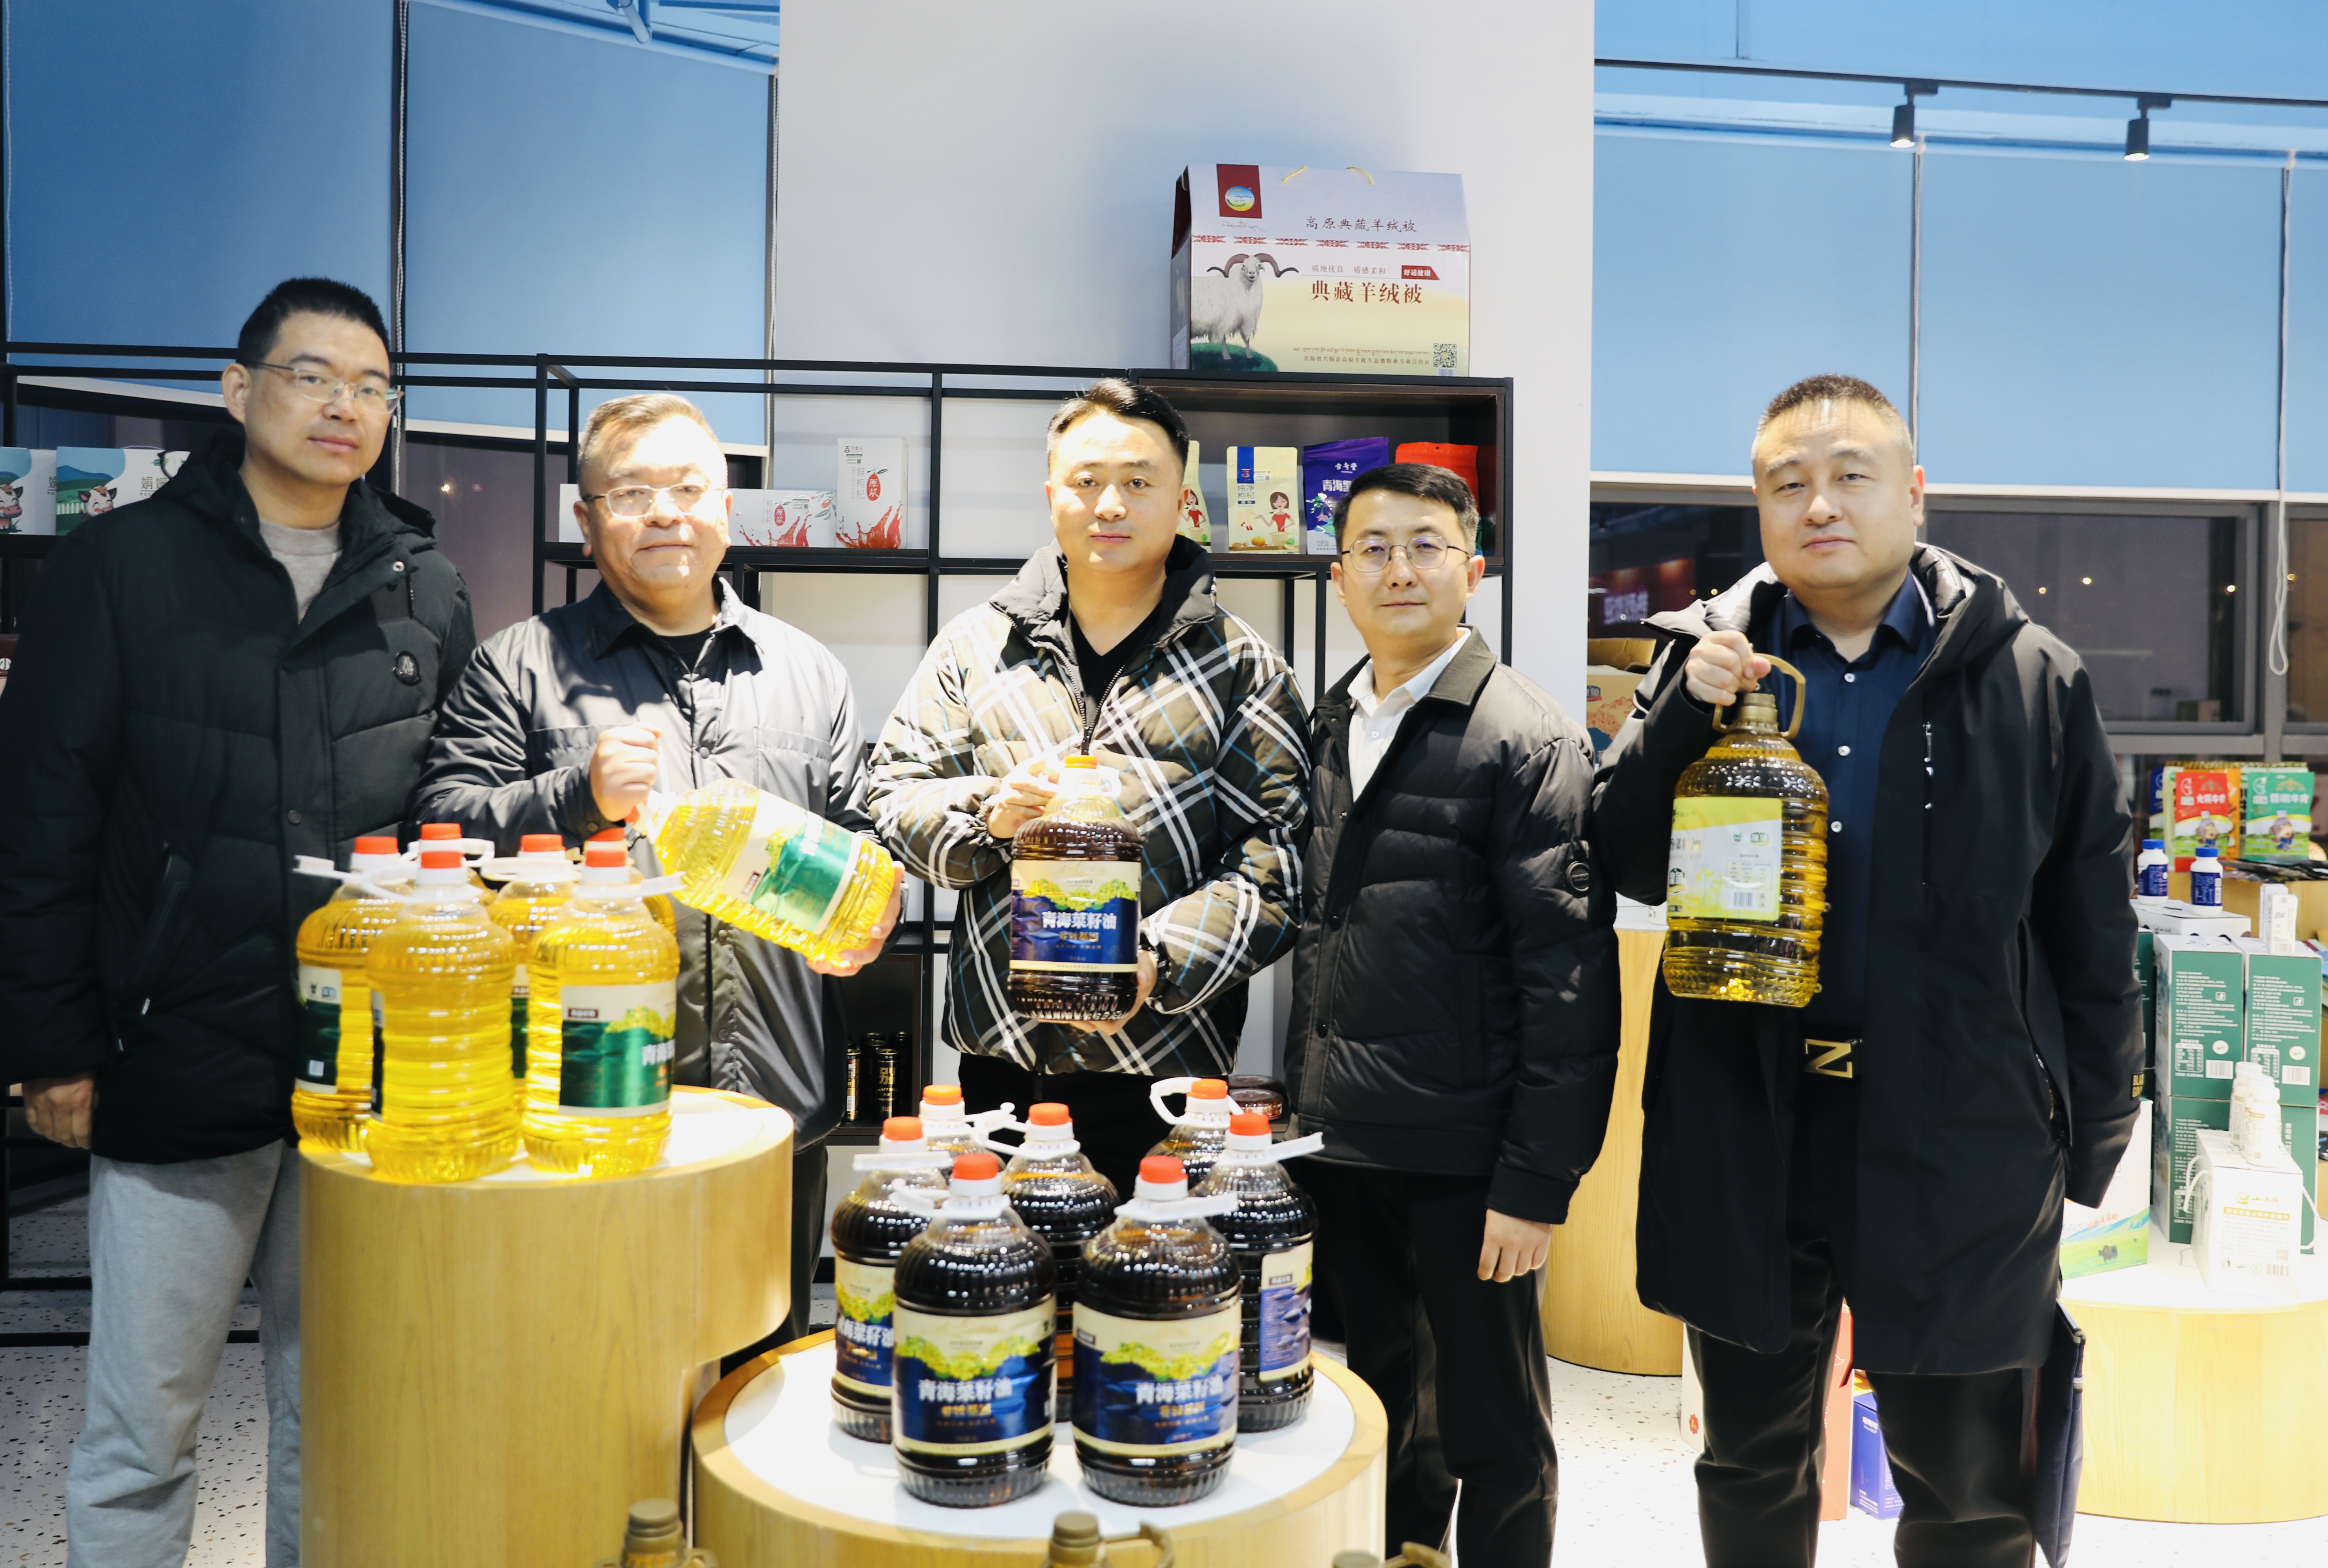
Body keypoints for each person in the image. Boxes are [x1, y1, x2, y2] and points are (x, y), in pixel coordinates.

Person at [1590, 375, 2140, 1568]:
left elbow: (2092, 930)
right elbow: (1621, 860)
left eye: (1850, 475)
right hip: (1746, 1119)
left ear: (1915, 492)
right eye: (1787, 483)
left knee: (1969, 1491)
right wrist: (1681, 719)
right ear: (1758, 506)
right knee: (1748, 1459)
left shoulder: (2029, 677)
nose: (1819, 504)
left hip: (1960, 1133)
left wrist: (2092, 1138)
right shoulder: (1704, 662)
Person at [0, 277, 477, 1568]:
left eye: (371, 386)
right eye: (314, 376)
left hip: (366, 1068)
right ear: (239, 390)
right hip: (172, 1041)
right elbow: (34, 819)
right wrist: (48, 1046)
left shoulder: (422, 582)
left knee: (342, 1410)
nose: (345, 406)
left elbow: (446, 815)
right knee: (144, 1426)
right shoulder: (119, 565)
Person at [409, 392, 897, 1361]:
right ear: (586, 519)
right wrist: (573, 794)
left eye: (689, 488)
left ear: (727, 507)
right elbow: (437, 833)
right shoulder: (518, 666)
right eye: (632, 493)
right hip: (590, 1100)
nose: (666, 512)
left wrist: (871, 910)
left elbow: (862, 833)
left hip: (775, 1104)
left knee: (759, 1368)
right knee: (599, 1367)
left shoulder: (807, 672)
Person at [1284, 464, 1618, 1566]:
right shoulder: (1335, 718)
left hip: (1471, 1157)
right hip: (1350, 1141)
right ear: (1340, 576)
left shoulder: (1523, 734)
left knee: (1496, 1427)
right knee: (1387, 1411)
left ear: (1472, 570)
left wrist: (1535, 1183)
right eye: (1373, 548)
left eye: (1425, 545)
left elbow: (1568, 980)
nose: (1399, 569)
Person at [860, 379, 1308, 1193]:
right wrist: (988, 816)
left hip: (1166, 1075)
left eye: (1138, 481)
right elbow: (892, 795)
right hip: (1000, 1069)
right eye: (1086, 480)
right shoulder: (975, 645)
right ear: (1050, 495)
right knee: (995, 1266)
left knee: (1157, 1270)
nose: (1110, 504)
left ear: (1181, 497)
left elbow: (1275, 865)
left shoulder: (1242, 664)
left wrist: (1155, 958)